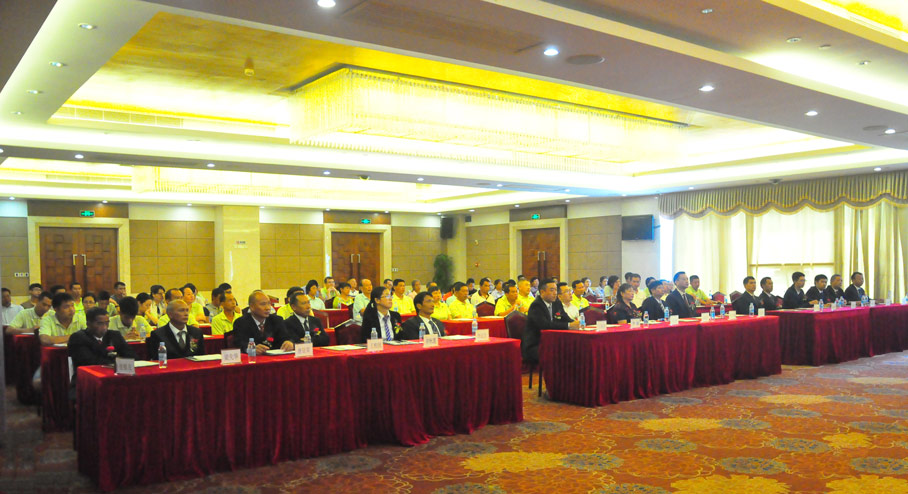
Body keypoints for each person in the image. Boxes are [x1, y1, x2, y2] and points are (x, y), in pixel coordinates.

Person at [68, 307, 134, 384]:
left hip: (115, 378)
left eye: (107, 323)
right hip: (88, 381)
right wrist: (117, 361)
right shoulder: (78, 338)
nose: (104, 327)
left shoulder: (114, 335)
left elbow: (131, 356)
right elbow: (90, 362)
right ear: (88, 324)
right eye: (100, 323)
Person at [523, 279, 578, 364]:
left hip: (552, 341)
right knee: (563, 353)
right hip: (536, 344)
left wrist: (575, 324)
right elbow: (545, 325)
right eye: (552, 290)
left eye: (556, 290)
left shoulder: (556, 303)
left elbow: (565, 318)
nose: (555, 293)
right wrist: (569, 325)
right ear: (542, 292)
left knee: (573, 349)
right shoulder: (536, 305)